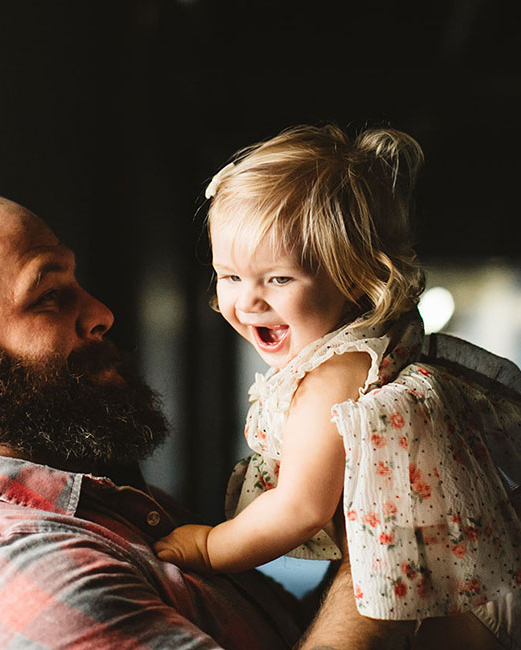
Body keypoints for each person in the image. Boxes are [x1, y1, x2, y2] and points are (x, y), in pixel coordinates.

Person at [0, 190, 305, 649]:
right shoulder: (21, 573)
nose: (102, 313)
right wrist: (374, 578)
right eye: (49, 296)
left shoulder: (97, 501)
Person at [154, 125, 521, 650]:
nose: (248, 301)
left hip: (467, 596)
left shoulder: (333, 375)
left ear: (352, 277)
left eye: (278, 279)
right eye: (229, 276)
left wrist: (210, 548)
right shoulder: (376, 342)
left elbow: (300, 508)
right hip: (468, 568)